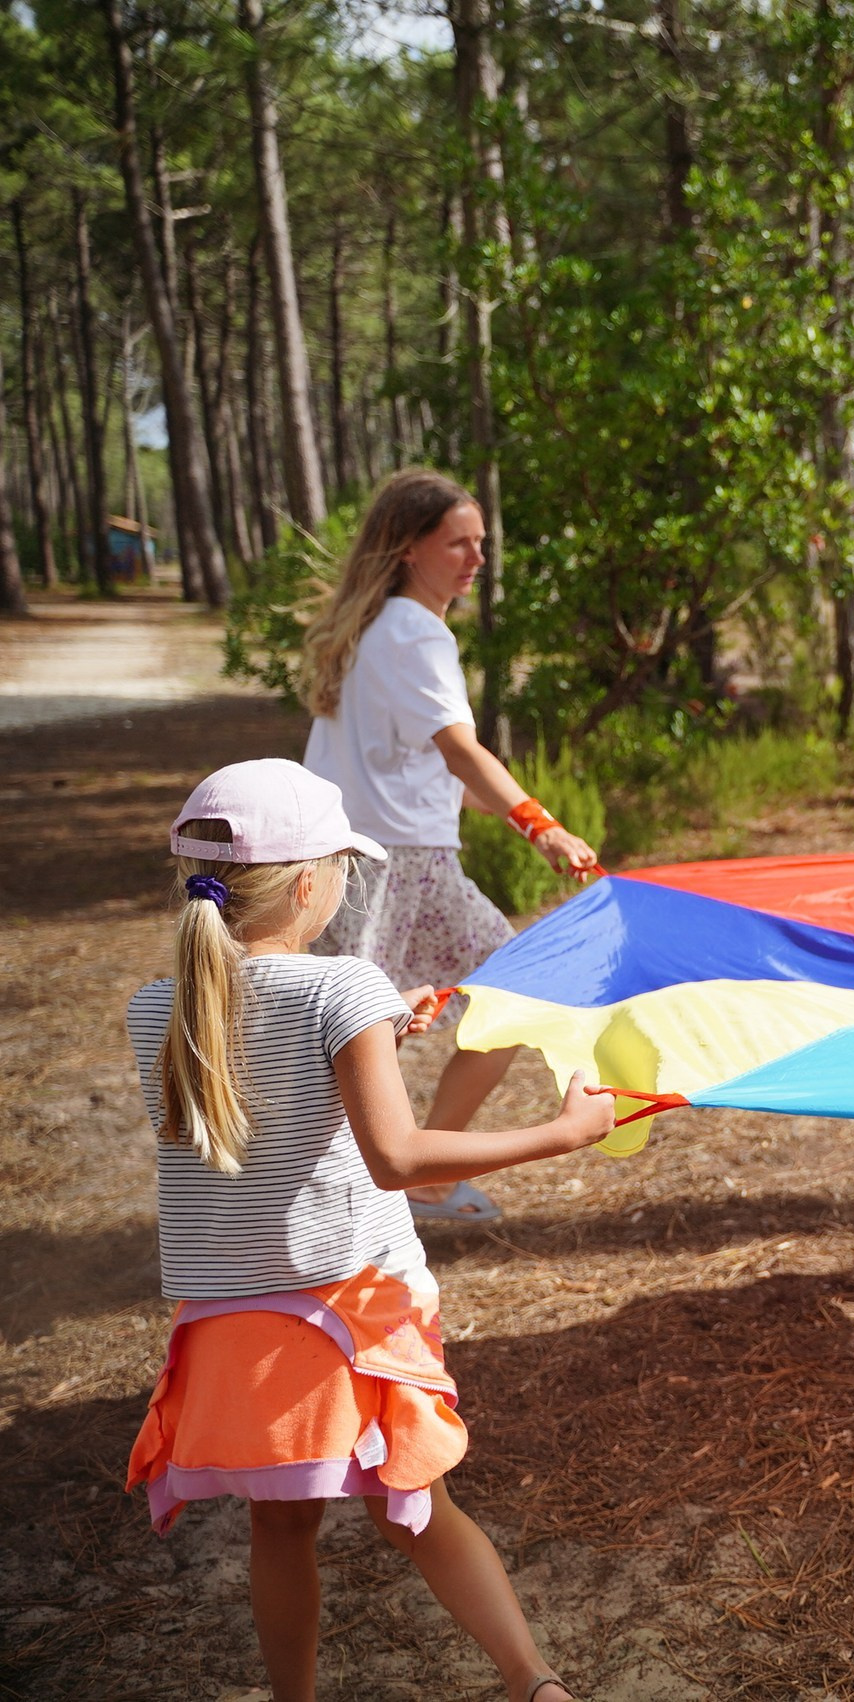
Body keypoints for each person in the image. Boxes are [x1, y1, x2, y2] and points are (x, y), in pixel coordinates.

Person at [124, 758, 613, 1702]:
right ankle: (530, 1680)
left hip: (232, 1324)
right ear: (312, 882)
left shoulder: (159, 1009)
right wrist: (561, 1133)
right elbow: (395, 1159)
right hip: (348, 1308)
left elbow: (261, 1090)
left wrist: (379, 1036)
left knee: (280, 1529)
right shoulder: (341, 987)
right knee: (419, 1509)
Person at [301, 469, 600, 1227]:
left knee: (352, 1037)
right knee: (511, 1003)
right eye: (457, 544)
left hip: (349, 860)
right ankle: (406, 1182)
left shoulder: (372, 629)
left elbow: (419, 770)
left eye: (481, 544)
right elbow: (462, 752)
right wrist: (542, 824)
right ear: (407, 549)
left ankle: (354, 1187)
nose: (476, 560)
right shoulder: (417, 631)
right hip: (401, 866)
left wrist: (492, 808)